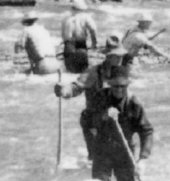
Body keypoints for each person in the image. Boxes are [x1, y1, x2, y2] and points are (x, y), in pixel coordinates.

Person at [54, 33, 128, 161]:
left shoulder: (122, 73)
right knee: (98, 160)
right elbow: (76, 87)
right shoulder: (94, 72)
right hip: (94, 121)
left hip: (114, 121)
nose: (120, 58)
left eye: (121, 55)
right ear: (109, 57)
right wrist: (64, 91)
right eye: (117, 56)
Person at [91, 69, 154, 181]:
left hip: (124, 152)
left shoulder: (134, 104)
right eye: (115, 86)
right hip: (103, 150)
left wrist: (143, 159)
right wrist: (102, 116)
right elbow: (87, 121)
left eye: (122, 86)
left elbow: (146, 131)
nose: (119, 90)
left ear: (128, 85)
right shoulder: (99, 97)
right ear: (109, 84)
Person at [61, 0, 98, 74]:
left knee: (69, 72)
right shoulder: (85, 16)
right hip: (80, 44)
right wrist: (94, 43)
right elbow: (93, 29)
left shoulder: (65, 18)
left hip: (68, 45)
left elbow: (63, 34)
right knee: (82, 71)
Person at [15, 11, 59, 75]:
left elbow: (18, 50)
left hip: (43, 65)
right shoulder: (44, 30)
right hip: (55, 64)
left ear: (25, 22)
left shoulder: (26, 30)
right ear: (35, 20)